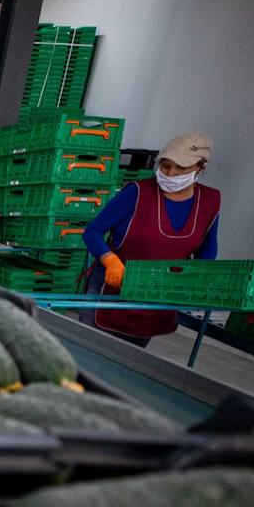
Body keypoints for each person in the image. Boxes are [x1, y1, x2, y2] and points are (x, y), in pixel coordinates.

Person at [79, 132, 219, 347]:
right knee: (89, 354)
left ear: (200, 168)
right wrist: (110, 260)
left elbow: (207, 249)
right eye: (165, 165)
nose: (171, 173)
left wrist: (196, 281)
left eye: (180, 168)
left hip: (155, 298)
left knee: (129, 364)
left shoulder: (209, 202)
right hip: (110, 292)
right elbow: (93, 232)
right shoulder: (137, 192)